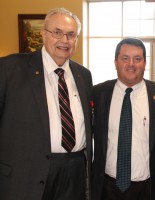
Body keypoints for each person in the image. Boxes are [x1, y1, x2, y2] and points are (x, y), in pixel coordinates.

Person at [0, 8, 93, 200]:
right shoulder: (10, 69)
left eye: (71, 34)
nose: (64, 40)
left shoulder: (83, 75)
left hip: (75, 169)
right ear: (43, 34)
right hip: (26, 172)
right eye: (57, 32)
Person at [91, 38, 155, 200]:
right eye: (125, 58)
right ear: (116, 62)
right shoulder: (98, 93)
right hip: (107, 187)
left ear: (144, 63)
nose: (131, 64)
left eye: (137, 59)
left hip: (146, 188)